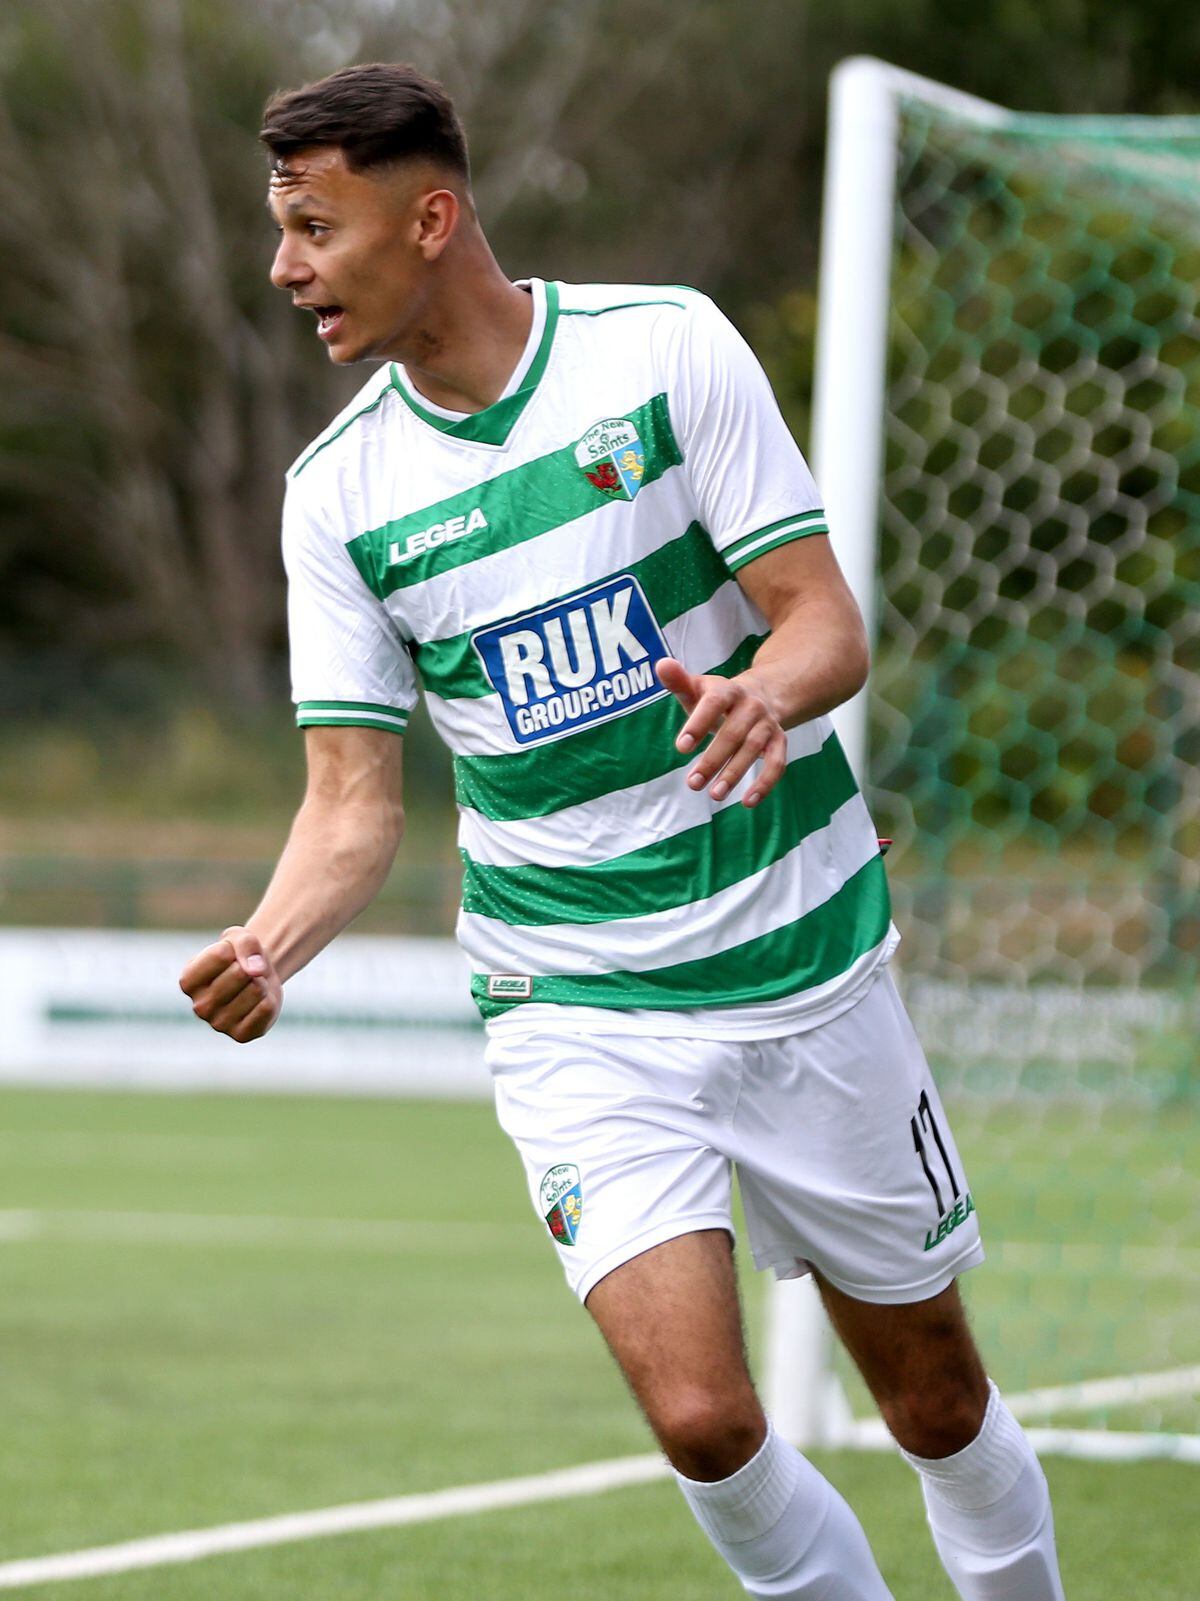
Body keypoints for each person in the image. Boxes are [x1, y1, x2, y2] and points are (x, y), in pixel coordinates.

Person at [179, 62, 1066, 1601]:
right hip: (577, 1003)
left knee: (936, 1399)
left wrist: (759, 694)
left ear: (432, 217)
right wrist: (272, 941)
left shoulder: (662, 352)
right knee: (708, 1421)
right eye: (283, 230)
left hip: (803, 962)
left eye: (316, 228)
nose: (287, 268)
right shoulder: (337, 496)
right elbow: (351, 802)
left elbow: (825, 629)